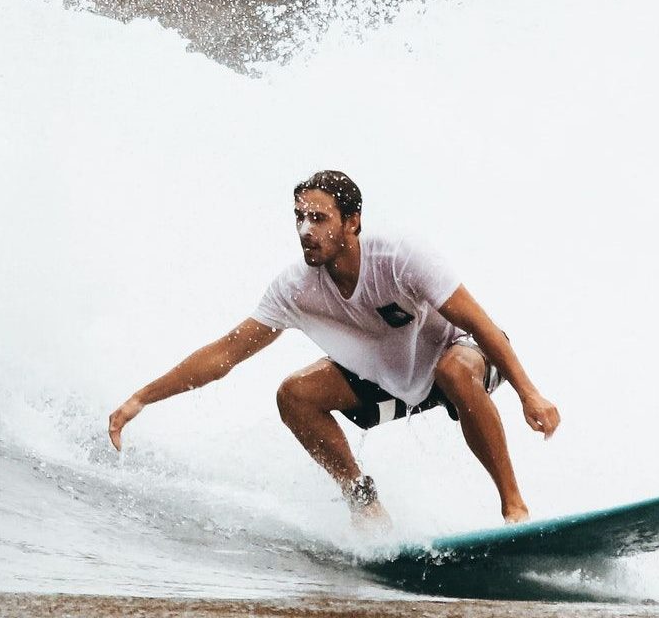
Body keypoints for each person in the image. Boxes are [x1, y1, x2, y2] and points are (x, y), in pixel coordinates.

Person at [107, 170, 560, 526]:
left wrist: (529, 393)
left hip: (463, 352)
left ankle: (514, 508)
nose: (306, 229)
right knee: (295, 394)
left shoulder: (399, 257)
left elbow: (480, 323)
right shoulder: (295, 288)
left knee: (454, 371)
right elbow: (224, 354)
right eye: (300, 218)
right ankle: (364, 505)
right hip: (395, 381)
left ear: (353, 221)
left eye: (319, 218)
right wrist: (140, 399)